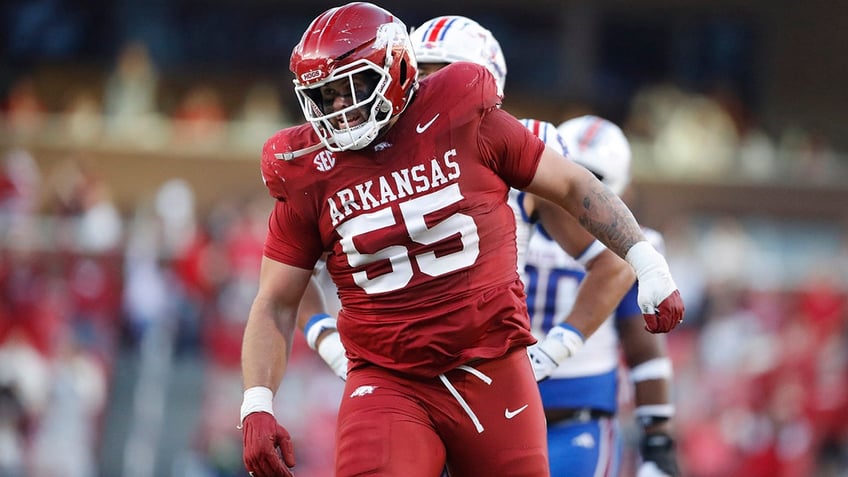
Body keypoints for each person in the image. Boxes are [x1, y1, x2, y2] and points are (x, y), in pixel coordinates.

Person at [239, 3, 684, 477]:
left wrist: (645, 262)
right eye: (323, 95)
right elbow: (278, 296)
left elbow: (578, 190)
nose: (339, 108)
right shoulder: (310, 168)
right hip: (388, 376)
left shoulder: (476, 121)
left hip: (494, 361)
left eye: (351, 87)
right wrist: (262, 397)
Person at [301, 13, 638, 387]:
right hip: (394, 377)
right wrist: (330, 345)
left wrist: (554, 350)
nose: (424, 87)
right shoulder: (357, 156)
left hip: (487, 369)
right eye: (417, 73)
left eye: (439, 73)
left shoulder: (519, 147)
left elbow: (612, 265)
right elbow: (286, 282)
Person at [525, 115, 681, 476]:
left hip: (578, 419)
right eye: (573, 172)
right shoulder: (512, 223)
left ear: (621, 193)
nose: (581, 191)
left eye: (595, 181)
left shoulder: (638, 250)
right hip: (497, 412)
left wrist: (658, 443)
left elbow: (644, 349)